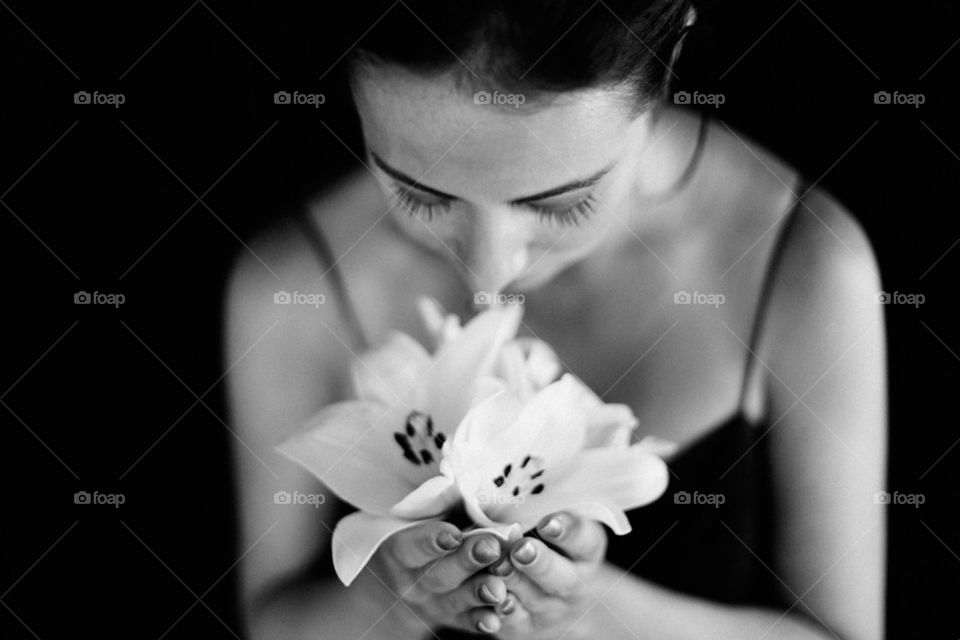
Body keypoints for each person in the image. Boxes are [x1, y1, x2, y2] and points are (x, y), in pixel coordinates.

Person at [224, 1, 886, 638]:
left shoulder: (802, 267)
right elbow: (273, 622)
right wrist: (394, 602)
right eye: (419, 194)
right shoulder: (292, 286)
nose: (490, 278)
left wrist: (587, 614)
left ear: (673, 53)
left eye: (562, 204)